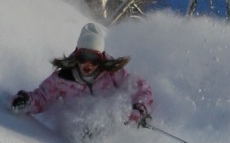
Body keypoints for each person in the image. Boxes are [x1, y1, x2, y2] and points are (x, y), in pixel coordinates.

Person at [11, 23, 152, 127]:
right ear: (77, 54)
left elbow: (140, 87)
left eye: (94, 58)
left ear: (101, 58)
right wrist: (27, 102)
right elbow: (42, 98)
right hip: (80, 128)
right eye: (83, 56)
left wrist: (140, 108)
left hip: (114, 125)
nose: (88, 63)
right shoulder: (63, 78)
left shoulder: (112, 72)